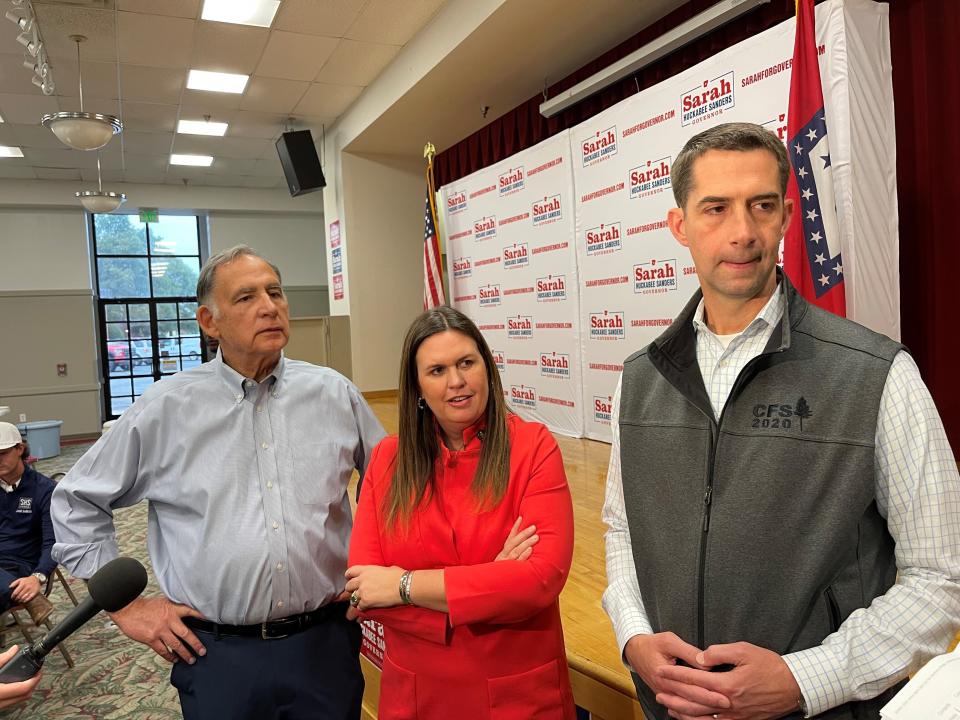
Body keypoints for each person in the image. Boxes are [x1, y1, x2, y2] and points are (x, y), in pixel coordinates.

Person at [602, 122, 960, 720]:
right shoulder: (639, 379)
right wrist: (633, 635)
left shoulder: (877, 374)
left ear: (788, 216)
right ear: (679, 226)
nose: (742, 232)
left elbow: (941, 576)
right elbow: (621, 529)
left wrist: (803, 679)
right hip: (670, 709)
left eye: (761, 206)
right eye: (715, 208)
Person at [51, 246, 386, 720]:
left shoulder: (334, 393)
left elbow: (394, 491)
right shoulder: (167, 408)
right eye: (247, 297)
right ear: (210, 321)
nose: (269, 306)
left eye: (275, 292)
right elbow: (76, 499)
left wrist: (382, 568)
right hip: (217, 656)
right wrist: (126, 608)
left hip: (325, 644)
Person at [346, 306, 576, 719]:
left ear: (486, 368)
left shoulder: (534, 447)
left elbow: (539, 580)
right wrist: (489, 584)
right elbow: (366, 591)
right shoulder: (386, 460)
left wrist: (403, 585)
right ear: (416, 387)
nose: (456, 382)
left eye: (466, 363)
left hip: (517, 695)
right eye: (436, 370)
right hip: (416, 698)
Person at [0, 422, 55, 626]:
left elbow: (54, 542)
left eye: (3, 453)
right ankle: (31, 601)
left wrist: (38, 577)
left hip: (20, 567)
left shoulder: (45, 490)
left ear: (20, 449)